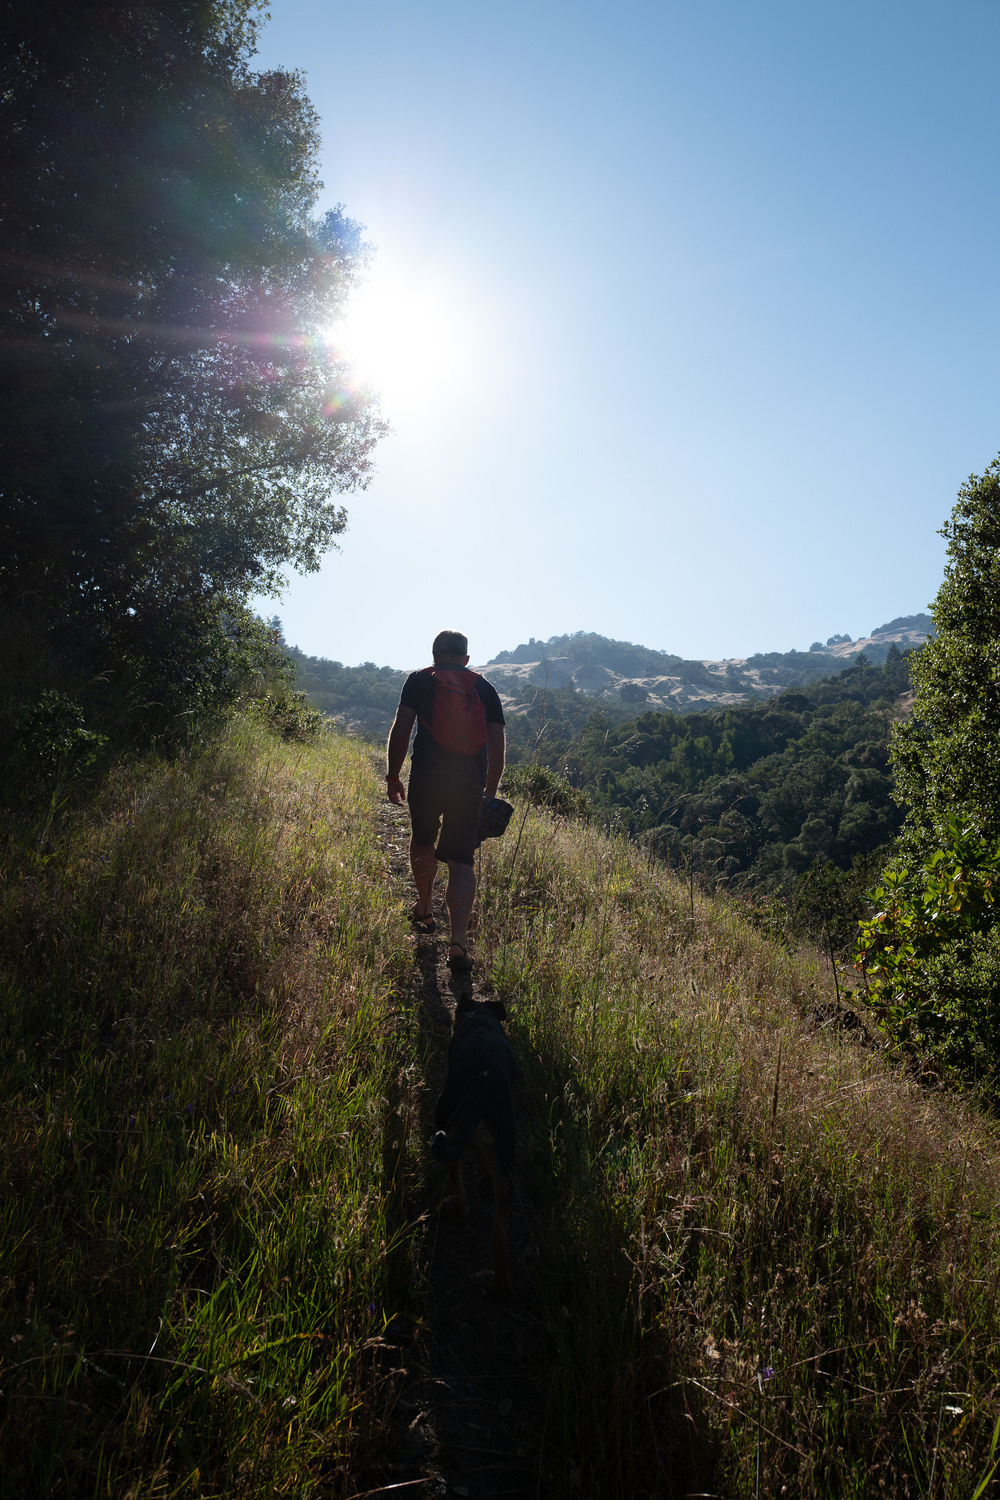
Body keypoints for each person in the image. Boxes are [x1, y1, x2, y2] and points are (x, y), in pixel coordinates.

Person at [386, 630, 506, 972]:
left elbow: (402, 728)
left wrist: (394, 776)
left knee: (423, 839)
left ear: (434, 654)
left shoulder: (419, 681)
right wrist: (489, 791)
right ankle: (458, 942)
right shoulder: (485, 688)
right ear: (466, 659)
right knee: (461, 859)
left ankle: (423, 910)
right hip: (469, 782)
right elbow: (497, 748)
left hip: (426, 775)